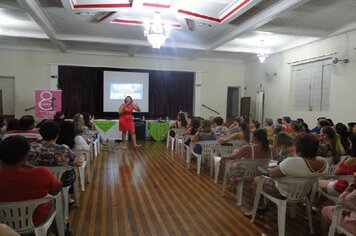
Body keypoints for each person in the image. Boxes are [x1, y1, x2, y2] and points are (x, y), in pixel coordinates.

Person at [247, 134, 328, 217]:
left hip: (283, 192)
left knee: (257, 180)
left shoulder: (292, 162)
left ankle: (257, 209)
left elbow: (272, 174)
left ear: (298, 148)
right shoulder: (323, 162)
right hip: (304, 192)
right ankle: (267, 205)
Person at [0, 136, 62, 226]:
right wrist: (33, 168)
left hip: (4, 222)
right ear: (25, 156)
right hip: (36, 220)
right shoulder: (42, 173)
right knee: (54, 202)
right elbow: (57, 189)